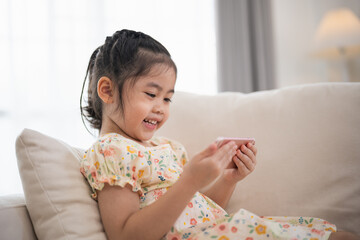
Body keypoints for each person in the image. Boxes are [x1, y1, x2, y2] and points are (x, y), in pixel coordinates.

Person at [79, 29, 357, 240]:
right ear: (108, 91)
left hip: (217, 229)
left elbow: (203, 208)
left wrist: (228, 179)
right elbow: (126, 234)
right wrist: (189, 180)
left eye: (167, 99)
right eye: (151, 94)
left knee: (325, 232)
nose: (160, 108)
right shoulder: (111, 151)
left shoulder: (167, 148)